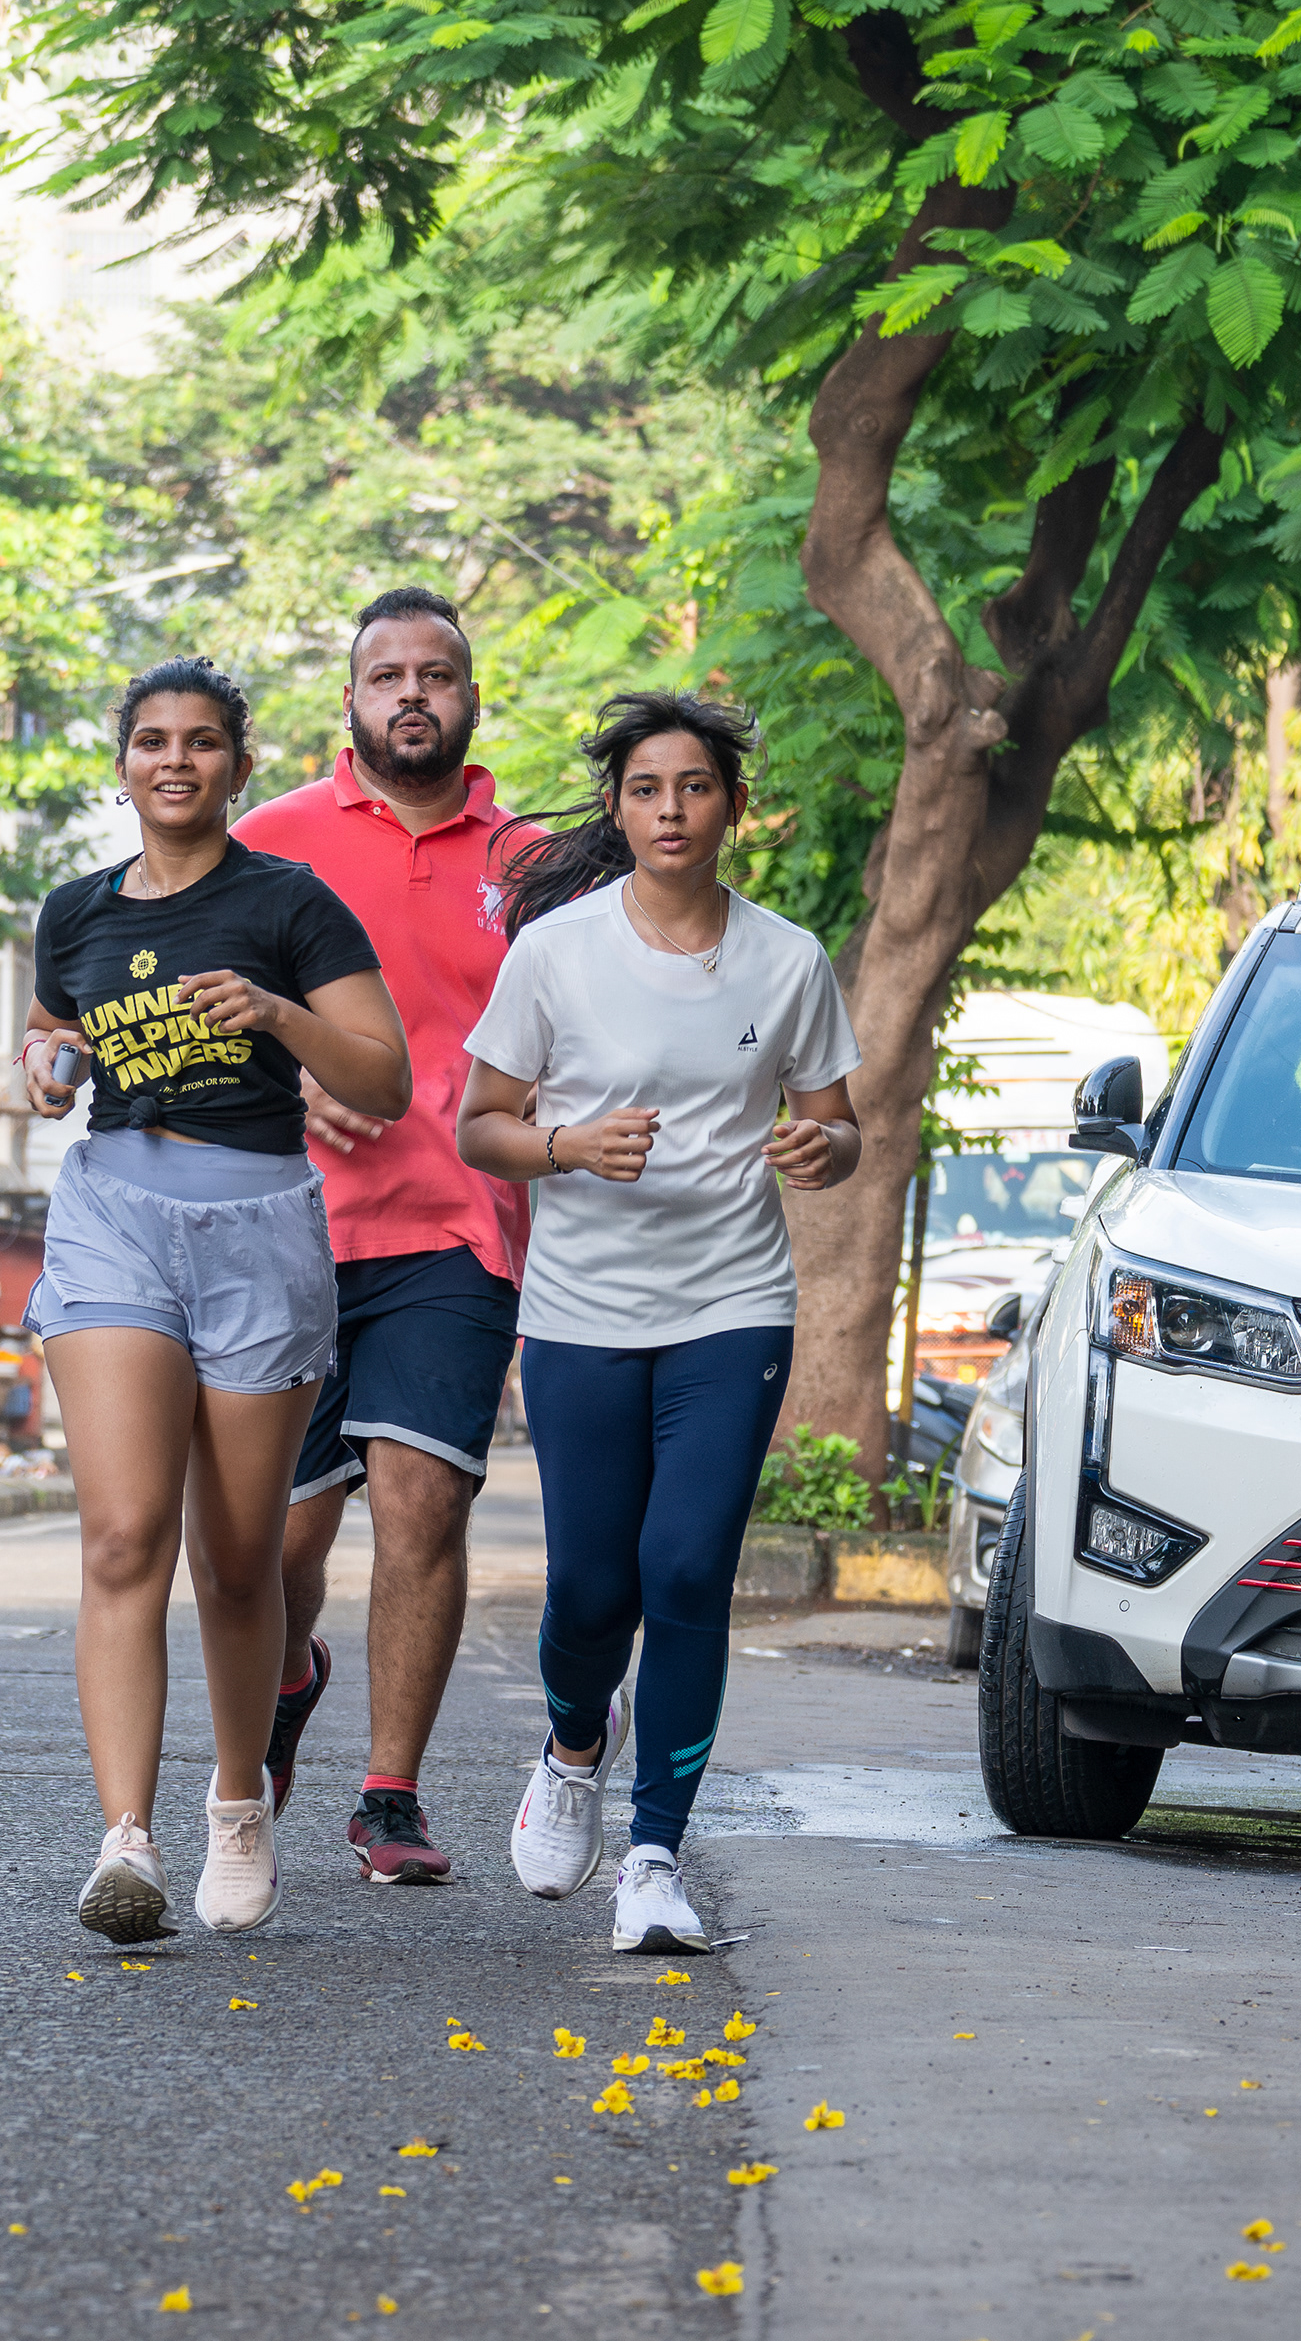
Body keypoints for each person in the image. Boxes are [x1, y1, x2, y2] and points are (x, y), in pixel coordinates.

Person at [457, 690, 862, 1955]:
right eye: (646, 788)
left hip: (732, 1304)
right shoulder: (556, 952)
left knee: (685, 1570)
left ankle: (653, 1856)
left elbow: (839, 1124)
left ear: (733, 806)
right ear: (618, 807)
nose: (671, 809)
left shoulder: (787, 960)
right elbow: (480, 1125)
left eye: (694, 787)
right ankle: (575, 1744)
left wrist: (823, 1145)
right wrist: (568, 1145)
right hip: (581, 1310)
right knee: (590, 1589)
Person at [19, 655, 411, 1942]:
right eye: (152, 741)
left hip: (256, 1229)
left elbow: (388, 1078)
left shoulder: (290, 903)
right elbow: (53, 1033)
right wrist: (46, 1060)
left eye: (200, 742)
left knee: (237, 1562)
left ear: (239, 767)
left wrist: (277, 1015)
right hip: (115, 1218)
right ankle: (125, 1840)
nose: (174, 760)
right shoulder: (74, 912)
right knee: (124, 1535)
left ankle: (239, 1801)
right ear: (123, 764)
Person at [228, 585, 537, 1885]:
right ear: (349, 700)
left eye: (436, 674)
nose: (413, 693)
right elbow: (190, 1010)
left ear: (470, 697)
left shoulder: (536, 864)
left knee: (421, 1502)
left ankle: (389, 1793)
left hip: (457, 1232)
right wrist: (286, 1073)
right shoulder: (267, 840)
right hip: (280, 1229)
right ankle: (290, 1674)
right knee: (282, 1541)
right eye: (387, 675)